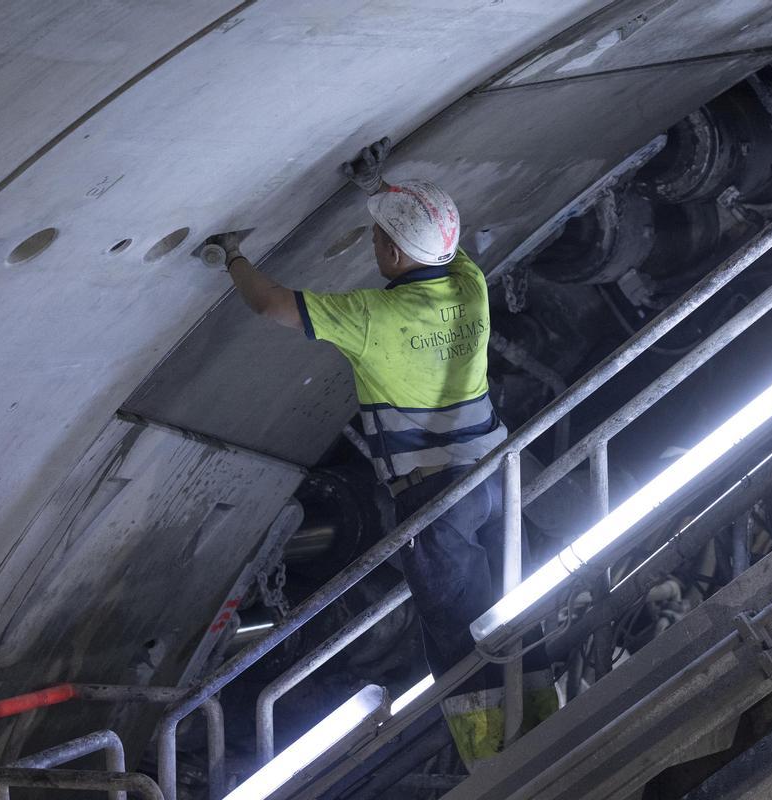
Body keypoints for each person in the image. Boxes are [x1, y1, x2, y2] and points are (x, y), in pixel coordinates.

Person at [212, 138, 555, 767]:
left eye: (378, 240)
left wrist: (232, 254)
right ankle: (551, 733)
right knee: (512, 612)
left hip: (434, 497)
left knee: (456, 633)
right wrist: (377, 190)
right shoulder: (469, 284)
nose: (373, 248)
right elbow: (424, 240)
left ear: (395, 253)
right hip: (493, 475)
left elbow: (270, 302)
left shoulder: (373, 319)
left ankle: (494, 763)